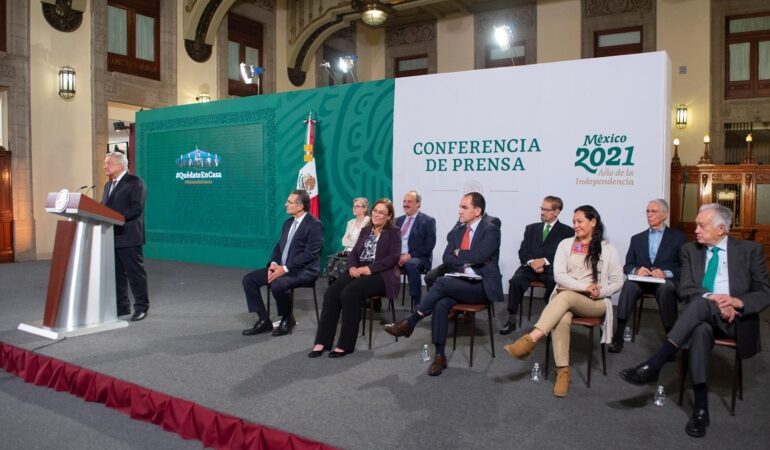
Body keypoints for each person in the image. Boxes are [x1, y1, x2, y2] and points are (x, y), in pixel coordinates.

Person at [619, 203, 770, 438]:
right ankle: (701, 408)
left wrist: (735, 302)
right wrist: (716, 301)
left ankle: (658, 361)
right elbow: (687, 288)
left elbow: (764, 292)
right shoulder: (690, 250)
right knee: (700, 327)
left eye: (702, 225)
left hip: (736, 319)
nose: (696, 230)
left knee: (700, 306)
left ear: (721, 229)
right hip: (703, 316)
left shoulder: (749, 251)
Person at [504, 205, 624, 397]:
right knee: (561, 315)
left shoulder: (608, 249)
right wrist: (583, 286)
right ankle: (563, 372)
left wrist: (600, 291)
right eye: (574, 221)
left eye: (580, 221)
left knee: (564, 296)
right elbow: (559, 276)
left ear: (593, 222)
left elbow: (619, 281)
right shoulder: (565, 244)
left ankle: (531, 339)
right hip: (568, 297)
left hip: (594, 302)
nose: (575, 225)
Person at [384, 192, 503, 376]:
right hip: (459, 281)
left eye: (464, 207)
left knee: (441, 282)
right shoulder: (459, 230)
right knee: (440, 304)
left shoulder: (491, 228)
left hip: (481, 285)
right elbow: (448, 258)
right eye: (460, 207)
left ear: (478, 210)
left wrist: (459, 254)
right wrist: (463, 256)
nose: (460, 211)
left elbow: (480, 256)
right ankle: (440, 356)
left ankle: (411, 321)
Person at [310, 198, 401, 358]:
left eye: (381, 212)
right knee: (331, 293)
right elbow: (354, 253)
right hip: (358, 268)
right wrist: (351, 267)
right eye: (375, 211)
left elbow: (393, 258)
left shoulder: (394, 232)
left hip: (380, 273)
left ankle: (345, 344)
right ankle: (322, 341)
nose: (377, 215)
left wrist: (368, 269)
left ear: (388, 216)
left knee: (350, 293)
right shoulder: (366, 230)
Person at [609, 199, 687, 353]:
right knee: (629, 286)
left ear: (664, 215)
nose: (649, 215)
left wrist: (665, 273)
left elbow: (684, 266)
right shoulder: (637, 238)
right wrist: (636, 271)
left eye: (654, 211)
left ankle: (671, 342)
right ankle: (618, 337)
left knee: (665, 289)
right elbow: (628, 266)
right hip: (641, 282)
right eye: (648, 211)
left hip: (665, 282)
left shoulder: (678, 237)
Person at [241, 190, 323, 337]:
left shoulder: (314, 224)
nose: (286, 204)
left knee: (278, 284)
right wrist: (274, 263)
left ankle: (287, 318)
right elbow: (279, 247)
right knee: (249, 280)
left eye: (289, 202)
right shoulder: (287, 223)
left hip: (305, 271)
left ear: (300, 206)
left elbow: (310, 254)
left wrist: (284, 269)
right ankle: (264, 320)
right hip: (282, 267)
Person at [501, 196, 574, 335]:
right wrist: (532, 262)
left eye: (546, 209)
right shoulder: (531, 228)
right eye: (541, 208)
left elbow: (565, 255)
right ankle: (511, 320)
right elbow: (523, 251)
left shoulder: (567, 232)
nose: (542, 212)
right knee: (516, 281)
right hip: (530, 268)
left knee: (555, 282)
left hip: (551, 269)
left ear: (557, 211)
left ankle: (549, 321)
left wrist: (544, 261)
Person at [102, 151, 149, 322]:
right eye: (105, 163)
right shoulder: (107, 186)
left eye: (109, 163)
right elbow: (102, 209)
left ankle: (142, 307)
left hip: (129, 236)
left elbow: (137, 208)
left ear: (121, 165)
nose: (104, 166)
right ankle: (122, 307)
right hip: (111, 236)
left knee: (135, 274)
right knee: (116, 275)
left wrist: (115, 218)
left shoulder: (135, 182)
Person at [395, 191, 437, 308]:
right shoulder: (397, 221)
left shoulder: (428, 221)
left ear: (418, 204)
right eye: (404, 201)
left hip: (419, 258)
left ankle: (417, 302)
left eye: (409, 202)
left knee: (411, 265)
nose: (405, 204)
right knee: (380, 262)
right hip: (398, 256)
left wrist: (410, 255)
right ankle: (378, 298)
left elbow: (429, 245)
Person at [326, 198, 370, 283]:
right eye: (353, 206)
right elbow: (344, 241)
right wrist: (354, 241)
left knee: (342, 263)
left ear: (365, 208)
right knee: (332, 260)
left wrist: (351, 239)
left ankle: (344, 285)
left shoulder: (368, 221)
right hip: (347, 251)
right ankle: (335, 287)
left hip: (360, 252)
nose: (354, 208)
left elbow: (362, 242)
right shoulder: (351, 222)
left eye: (357, 206)